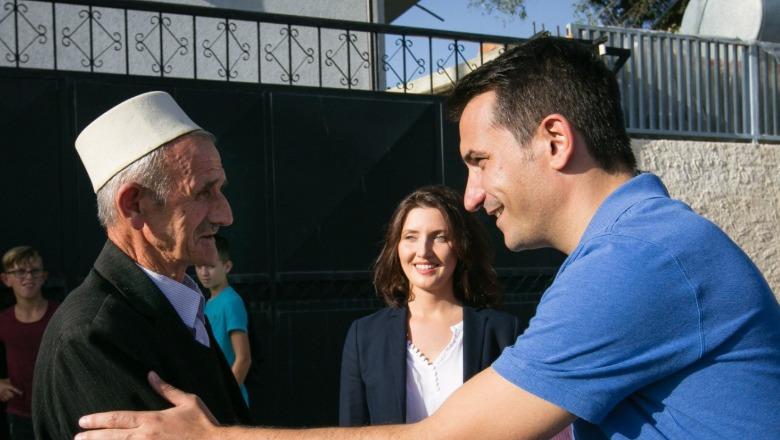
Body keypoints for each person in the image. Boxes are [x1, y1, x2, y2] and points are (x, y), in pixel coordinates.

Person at [75, 37, 780, 440]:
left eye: (479, 161)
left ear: (554, 139)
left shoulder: (637, 261)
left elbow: (442, 438)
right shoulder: (632, 251)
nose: (471, 195)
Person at [32, 91, 251, 439]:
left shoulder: (175, 306)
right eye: (203, 192)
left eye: (220, 189)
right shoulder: (92, 336)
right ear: (134, 205)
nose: (226, 215)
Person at [339, 185, 521, 426]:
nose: (423, 251)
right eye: (410, 237)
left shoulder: (501, 331)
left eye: (440, 237)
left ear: (462, 246)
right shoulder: (364, 336)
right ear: (396, 246)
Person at [0, 246, 58, 440]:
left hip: (57, 410)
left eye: (34, 271)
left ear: (44, 276)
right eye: (20, 272)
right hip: (19, 413)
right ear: (6, 279)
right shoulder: (3, 320)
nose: (28, 277)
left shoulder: (60, 315)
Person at [195, 235, 251, 404]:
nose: (204, 272)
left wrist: (225, 399)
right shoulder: (207, 304)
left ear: (227, 266)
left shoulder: (231, 302)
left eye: (211, 266)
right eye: (199, 266)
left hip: (228, 404)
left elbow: (243, 359)